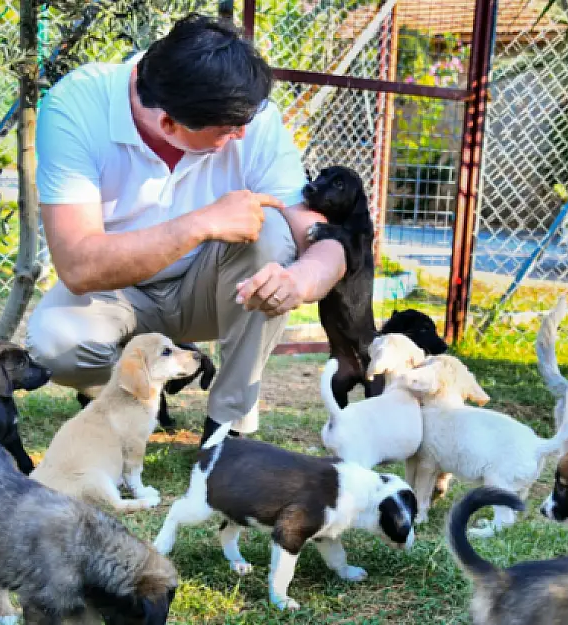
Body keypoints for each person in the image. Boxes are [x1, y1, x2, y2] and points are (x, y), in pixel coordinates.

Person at [25, 14, 346, 443]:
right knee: (54, 344)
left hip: (216, 291)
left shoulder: (248, 117)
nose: (243, 133)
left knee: (271, 230)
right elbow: (78, 266)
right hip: (117, 291)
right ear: (169, 125)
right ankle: (142, 393)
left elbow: (326, 241)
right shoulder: (77, 106)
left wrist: (300, 282)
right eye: (230, 131)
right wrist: (201, 223)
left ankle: (228, 432)